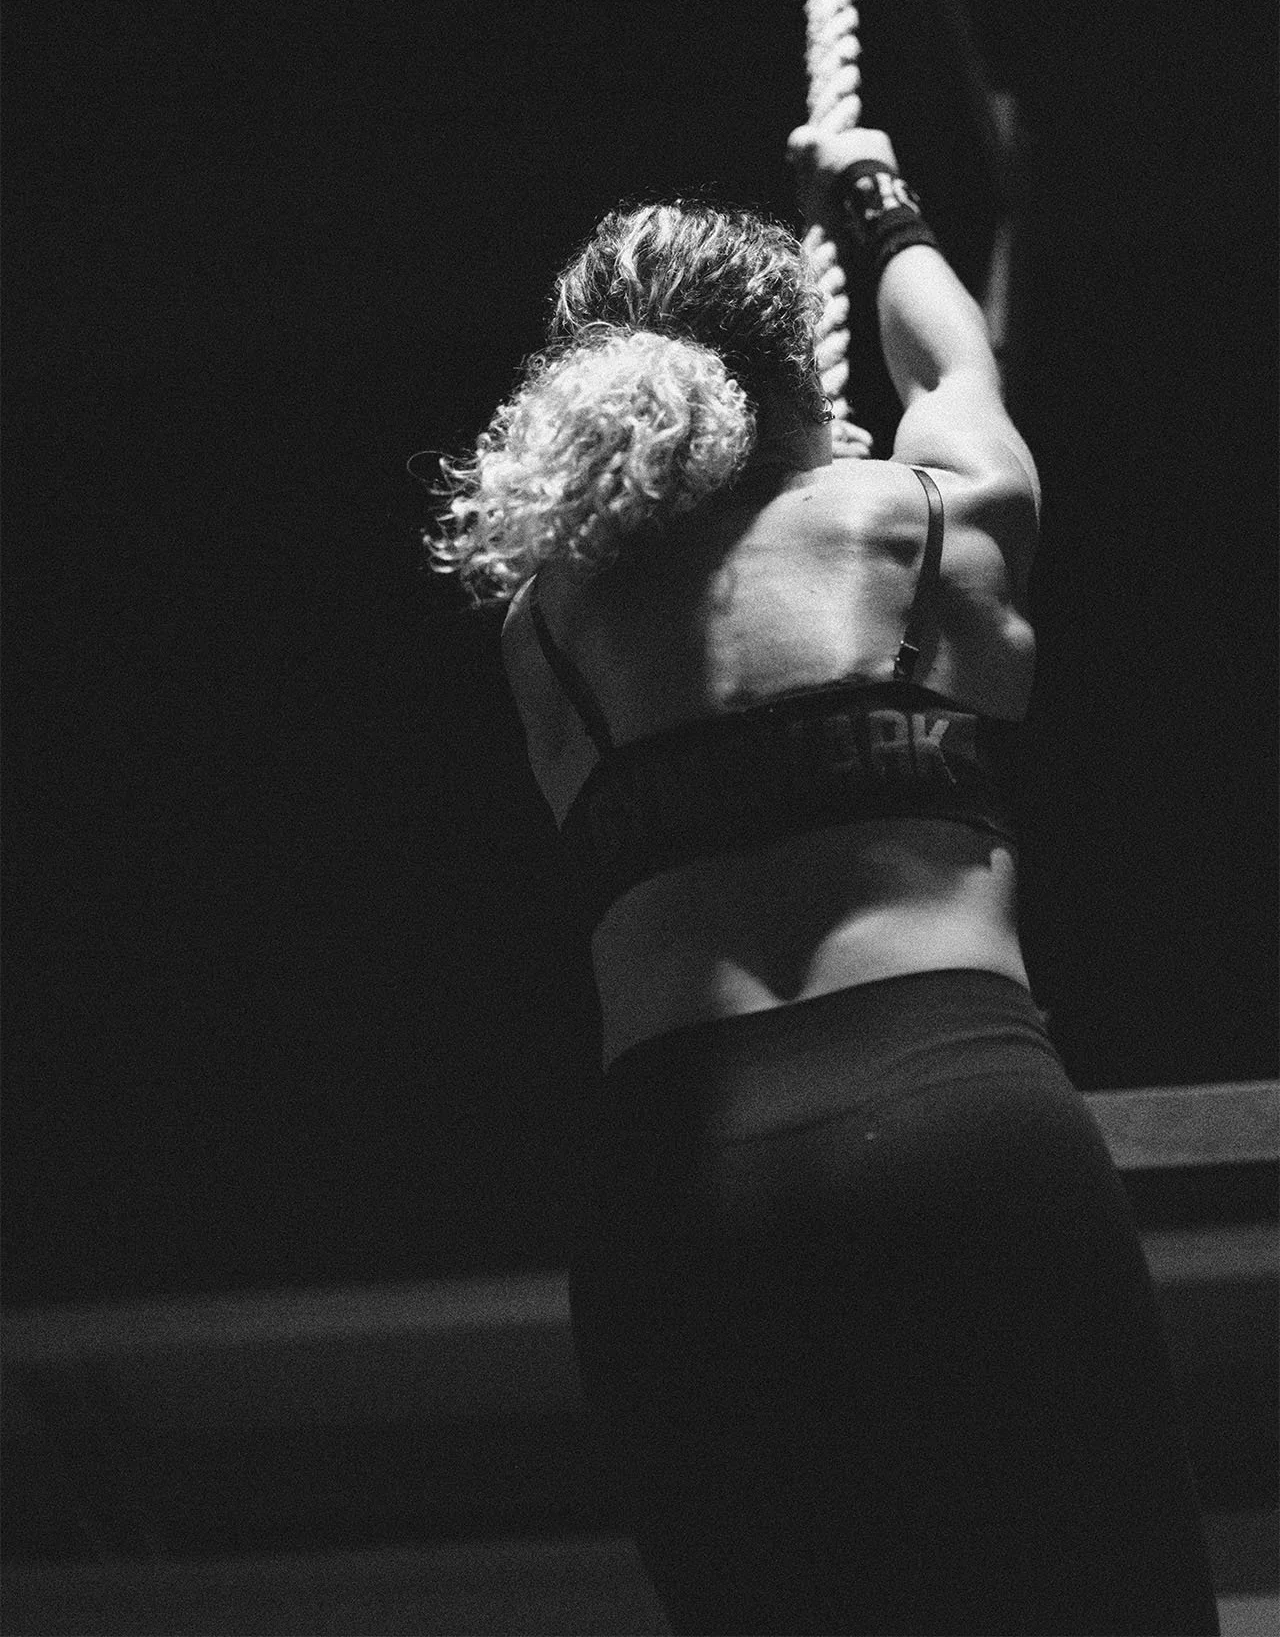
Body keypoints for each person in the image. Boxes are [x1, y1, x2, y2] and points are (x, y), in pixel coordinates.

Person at [429, 125, 1220, 1635]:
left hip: (678, 1198)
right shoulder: (912, 522)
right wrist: (877, 198)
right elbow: (948, 372)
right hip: (951, 1131)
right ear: (799, 374)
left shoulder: (547, 628)